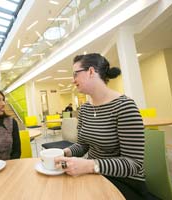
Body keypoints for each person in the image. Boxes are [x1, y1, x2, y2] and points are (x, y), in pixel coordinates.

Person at [55, 53, 158, 199]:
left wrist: (89, 165)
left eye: (75, 74)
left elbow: (133, 164)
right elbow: (82, 146)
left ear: (91, 71)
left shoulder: (124, 107)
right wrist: (62, 153)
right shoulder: (84, 109)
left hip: (124, 182)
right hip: (96, 175)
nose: (73, 80)